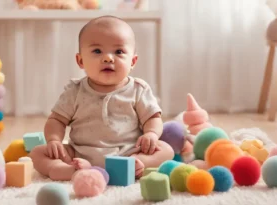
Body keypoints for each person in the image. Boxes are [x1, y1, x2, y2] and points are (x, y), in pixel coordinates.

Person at [30, 15, 174, 181]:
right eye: (97, 51)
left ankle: (137, 163)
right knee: (38, 153)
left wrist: (151, 134)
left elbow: (153, 117)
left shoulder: (138, 89)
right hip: (80, 153)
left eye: (119, 52)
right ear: (80, 60)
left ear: (133, 61)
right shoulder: (75, 91)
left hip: (128, 152)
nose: (108, 58)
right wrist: (54, 140)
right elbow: (56, 120)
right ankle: (63, 169)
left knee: (166, 149)